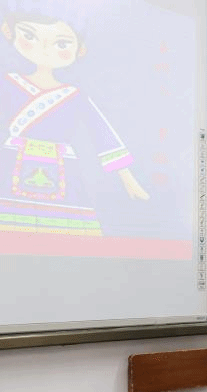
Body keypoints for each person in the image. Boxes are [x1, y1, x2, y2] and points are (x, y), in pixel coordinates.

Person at [0, 1, 149, 236]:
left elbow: (101, 132)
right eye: (30, 35)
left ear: (80, 50)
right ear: (8, 31)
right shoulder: (7, 83)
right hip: (12, 162)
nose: (45, 49)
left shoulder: (75, 95)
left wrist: (127, 178)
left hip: (62, 167)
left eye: (61, 43)